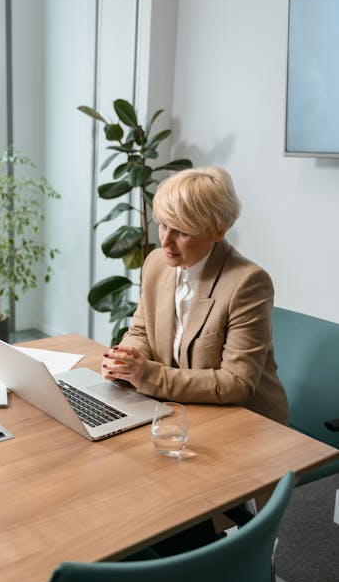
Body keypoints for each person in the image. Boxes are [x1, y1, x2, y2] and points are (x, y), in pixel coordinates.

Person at [102, 166, 288, 425]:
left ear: (218, 231)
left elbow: (237, 382)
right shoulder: (156, 263)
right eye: (163, 225)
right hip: (181, 411)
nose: (165, 242)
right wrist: (126, 361)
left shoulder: (247, 283)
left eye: (182, 232)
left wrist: (147, 377)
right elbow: (142, 331)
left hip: (243, 422)